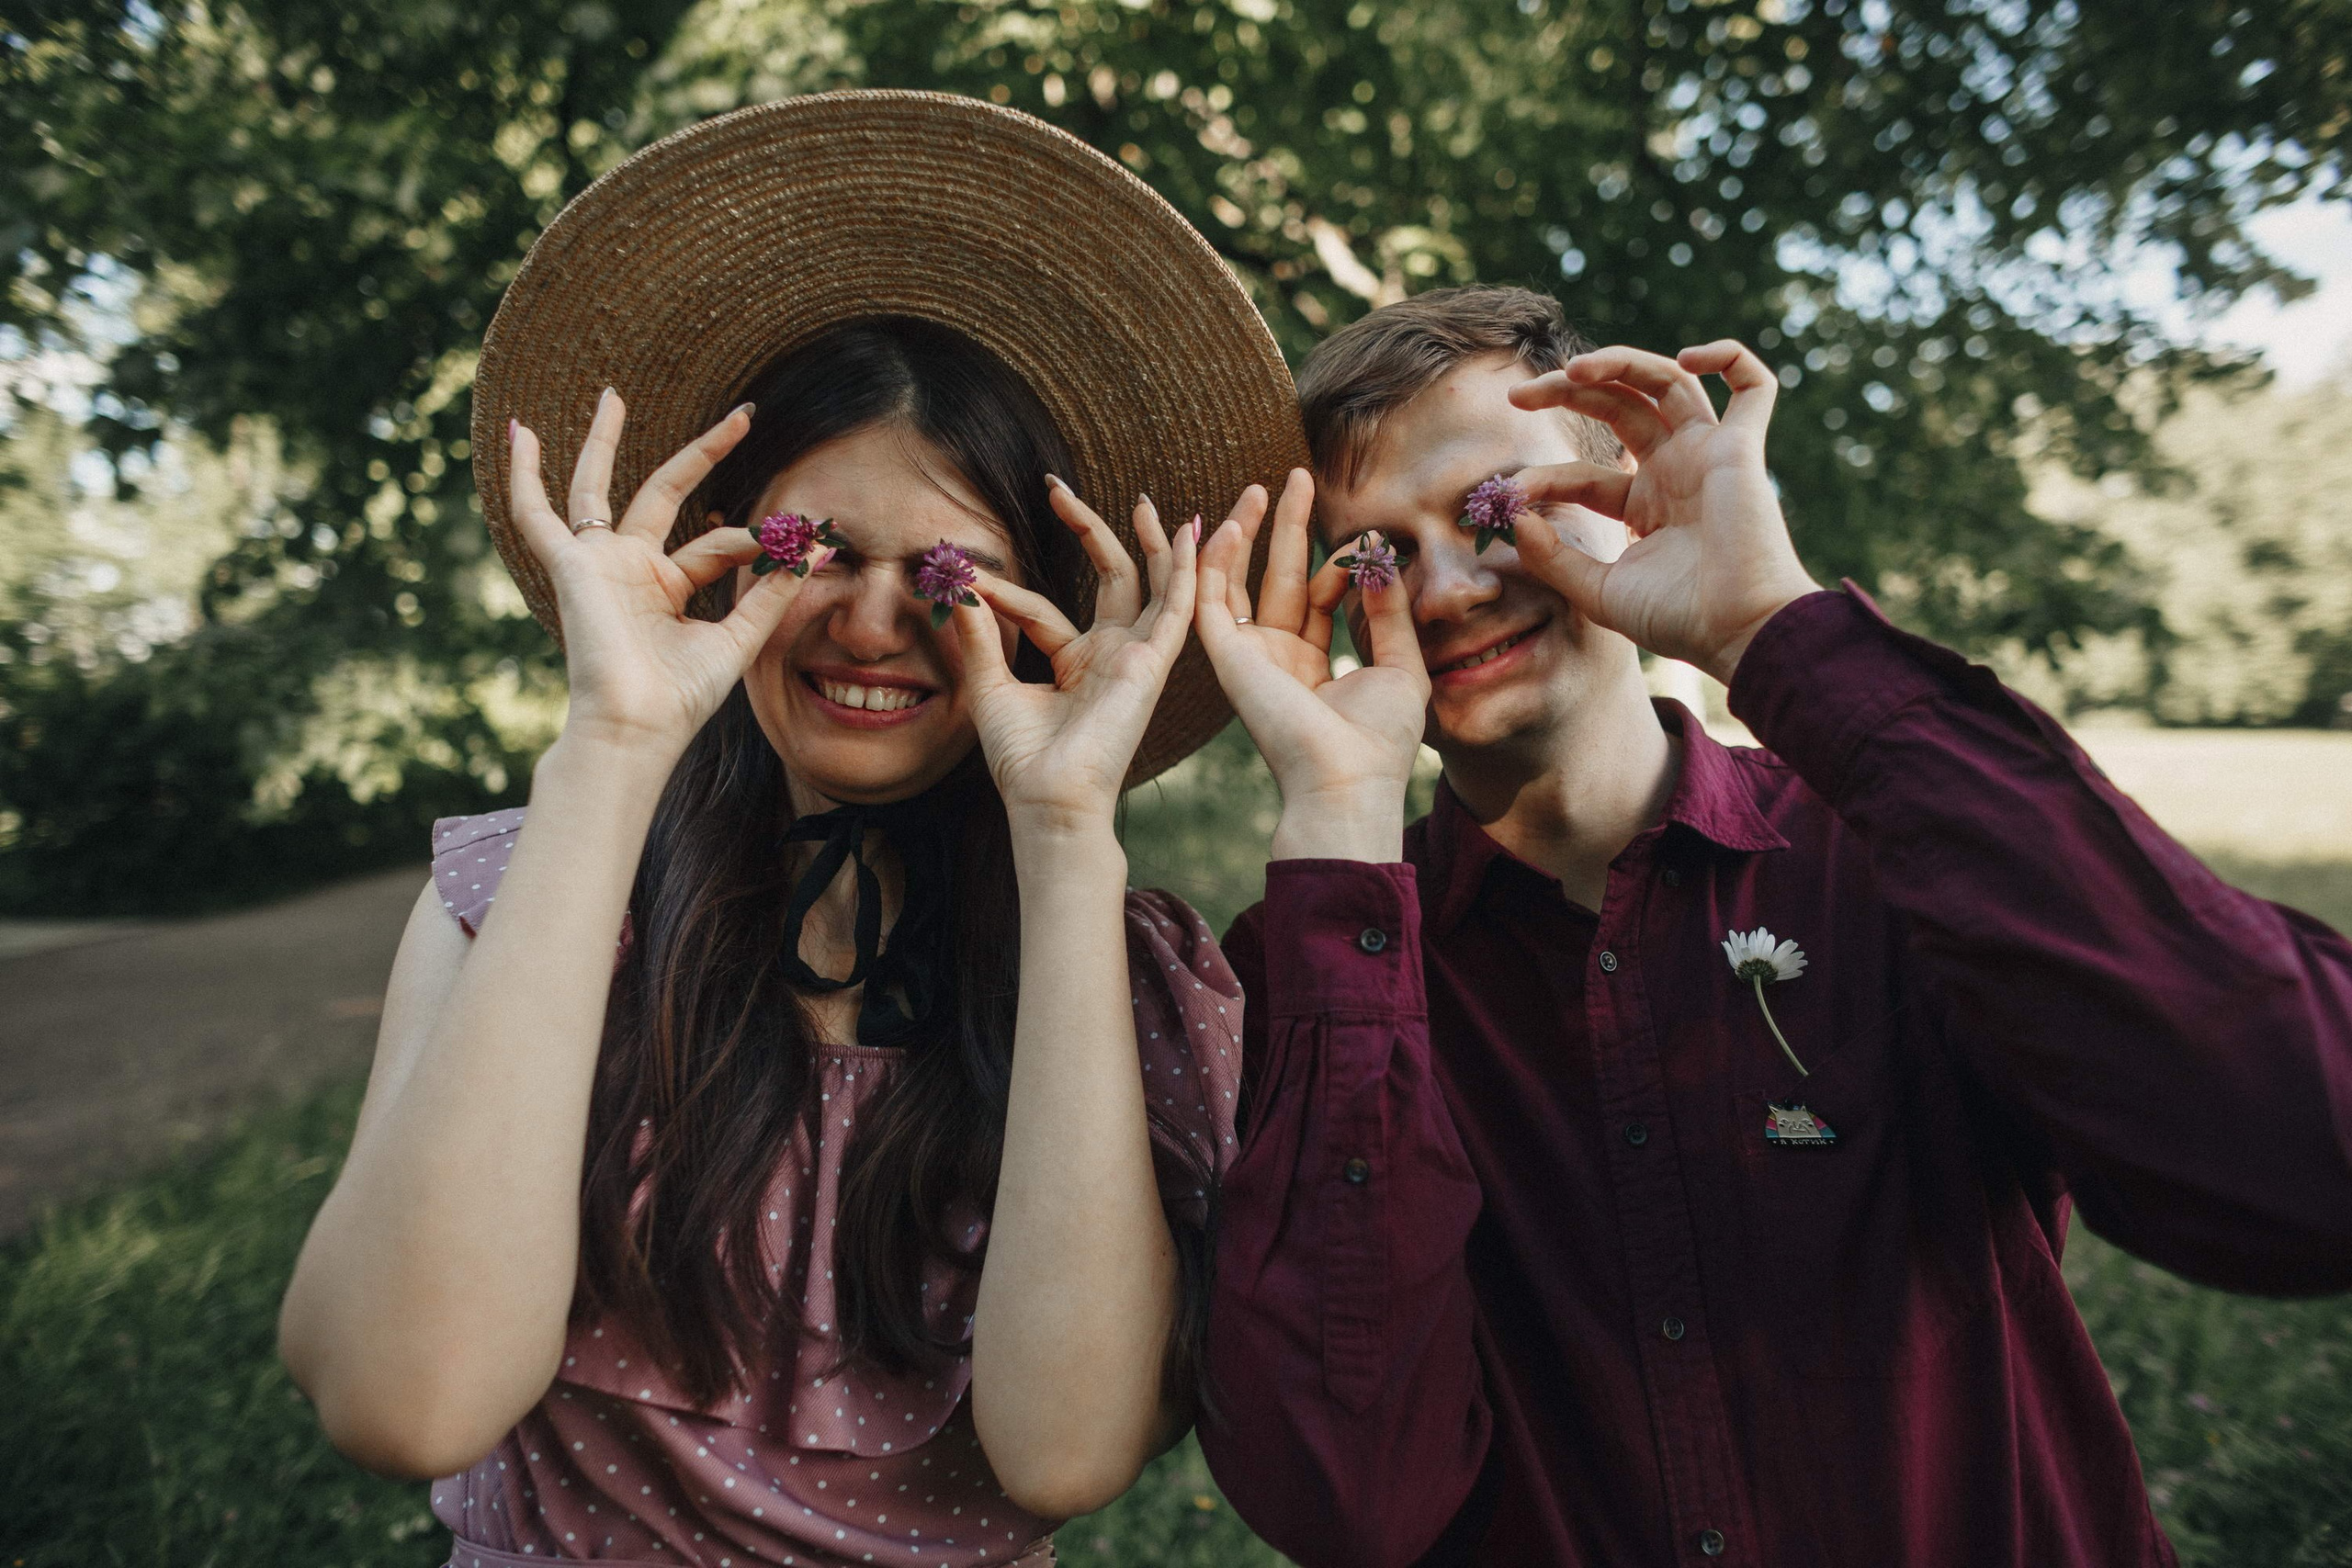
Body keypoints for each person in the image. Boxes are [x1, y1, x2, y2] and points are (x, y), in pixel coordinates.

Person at [278, 93, 1305, 1568]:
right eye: (807, 550)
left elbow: (1068, 1449)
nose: (874, 621)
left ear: (1045, 618)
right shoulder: (523, 893)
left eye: (950, 570)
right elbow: (403, 1399)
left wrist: (1068, 829)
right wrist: (613, 751)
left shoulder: (1131, 986)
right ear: (711, 570)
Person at [1187, 284, 2352, 1567]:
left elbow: (2307, 1159)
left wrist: (1771, 630)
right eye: (1377, 556)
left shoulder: (1889, 855)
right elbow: (1344, 1503)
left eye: (1492, 508)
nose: (1452, 587)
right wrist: (1341, 816)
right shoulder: (1313, 975)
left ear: (1618, 489)